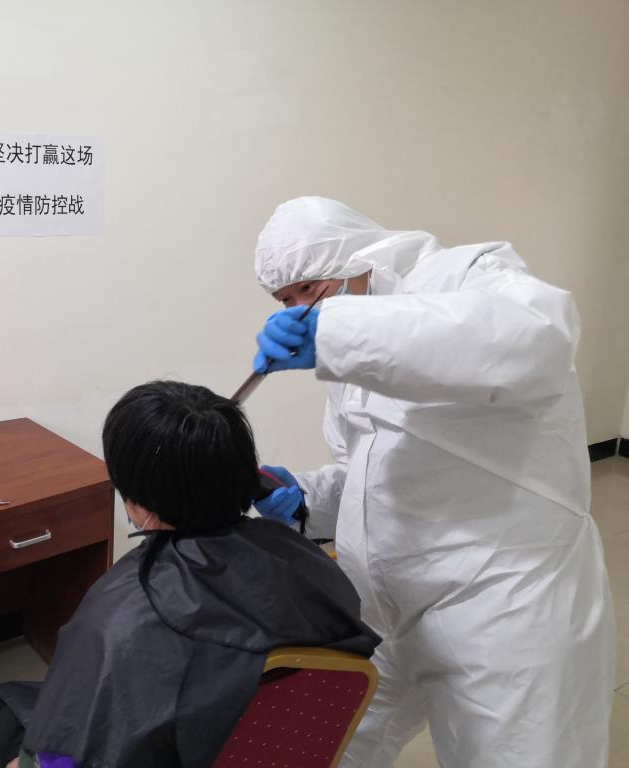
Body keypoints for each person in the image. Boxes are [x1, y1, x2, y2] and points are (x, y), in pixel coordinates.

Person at [250, 196, 615, 767]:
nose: (298, 311)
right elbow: (373, 474)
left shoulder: (466, 278)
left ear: (358, 260)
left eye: (308, 291)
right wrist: (305, 500)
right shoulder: (353, 352)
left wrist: (342, 333)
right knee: (330, 745)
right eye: (285, 301)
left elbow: (539, 337)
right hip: (388, 607)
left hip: (500, 606)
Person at [0, 380, 380, 768]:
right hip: (260, 745)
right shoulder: (306, 565)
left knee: (0, 709)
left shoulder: (120, 618)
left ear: (135, 502)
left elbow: (78, 739)